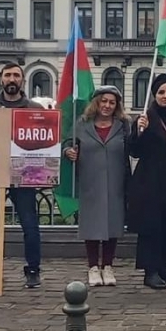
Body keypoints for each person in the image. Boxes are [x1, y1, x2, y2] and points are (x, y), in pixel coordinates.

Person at [0, 62, 44, 288]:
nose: (11, 79)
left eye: (16, 75)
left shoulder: (34, 108)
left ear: (22, 80)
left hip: (24, 173)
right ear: (1, 79)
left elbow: (43, 140)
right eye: (7, 75)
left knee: (29, 223)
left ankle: (33, 270)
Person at [127, 73, 166, 290]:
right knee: (151, 227)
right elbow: (134, 151)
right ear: (154, 95)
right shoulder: (146, 118)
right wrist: (139, 132)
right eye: (161, 92)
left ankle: (165, 267)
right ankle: (150, 271)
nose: (165, 96)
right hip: (150, 181)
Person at [64, 85, 130, 287]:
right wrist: (68, 151)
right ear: (96, 102)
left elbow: (133, 146)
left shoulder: (123, 125)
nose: (107, 106)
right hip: (90, 180)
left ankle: (108, 266)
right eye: (104, 101)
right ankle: (93, 267)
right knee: (91, 224)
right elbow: (67, 142)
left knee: (112, 223)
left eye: (112, 102)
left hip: (115, 181)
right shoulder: (82, 123)